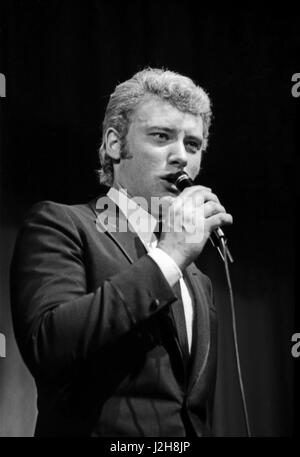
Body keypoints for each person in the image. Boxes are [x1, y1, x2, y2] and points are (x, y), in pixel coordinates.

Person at [10, 68, 233, 437]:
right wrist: (169, 255)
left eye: (192, 145)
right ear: (115, 144)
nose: (181, 156)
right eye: (162, 136)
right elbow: (48, 344)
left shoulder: (198, 280)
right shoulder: (63, 224)